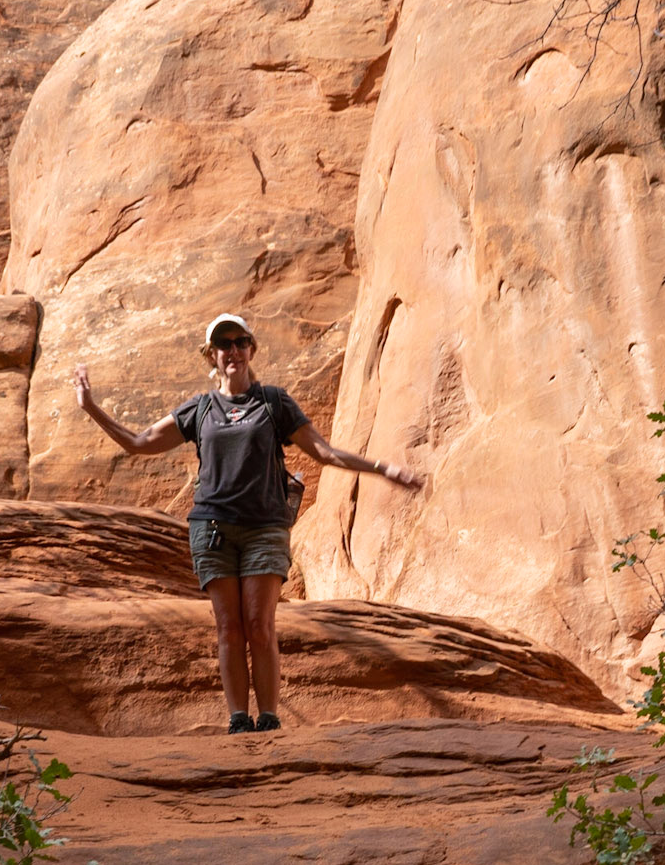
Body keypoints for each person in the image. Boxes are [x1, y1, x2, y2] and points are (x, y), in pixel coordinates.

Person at [73, 313, 422, 734]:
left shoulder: (274, 402)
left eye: (240, 342)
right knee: (228, 628)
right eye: (224, 344)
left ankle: (269, 718)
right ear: (212, 355)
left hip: (264, 528)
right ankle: (238, 719)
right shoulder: (199, 409)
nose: (233, 350)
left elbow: (325, 453)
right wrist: (90, 407)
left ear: (251, 349)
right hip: (213, 528)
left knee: (260, 624)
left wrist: (383, 468)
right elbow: (139, 442)